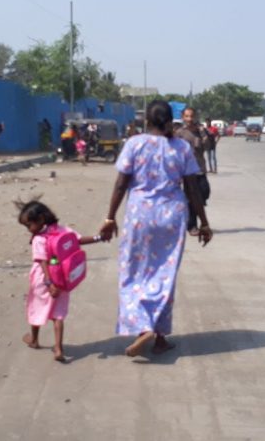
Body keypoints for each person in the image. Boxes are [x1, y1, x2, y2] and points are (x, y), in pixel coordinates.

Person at [99, 100, 212, 357]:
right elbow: (192, 188)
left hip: (140, 217)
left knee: (135, 272)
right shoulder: (181, 147)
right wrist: (204, 223)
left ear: (146, 121)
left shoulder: (134, 144)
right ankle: (159, 336)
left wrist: (109, 218)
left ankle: (143, 327)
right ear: (170, 119)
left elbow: (121, 184)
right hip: (171, 217)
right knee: (164, 274)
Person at [17, 199, 106, 362]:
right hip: (63, 279)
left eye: (29, 225)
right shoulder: (62, 230)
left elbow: (43, 261)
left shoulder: (38, 239)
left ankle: (35, 340)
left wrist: (49, 283)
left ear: (41, 220)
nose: (28, 229)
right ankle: (58, 349)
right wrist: (99, 237)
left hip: (44, 280)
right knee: (58, 315)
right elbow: (78, 240)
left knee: (36, 308)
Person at [176, 107, 211, 236]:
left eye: (191, 116)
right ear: (183, 117)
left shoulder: (201, 131)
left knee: (205, 192)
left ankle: (194, 214)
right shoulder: (180, 133)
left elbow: (208, 147)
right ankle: (192, 225)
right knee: (191, 198)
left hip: (200, 169)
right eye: (187, 116)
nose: (189, 119)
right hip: (187, 172)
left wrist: (202, 134)